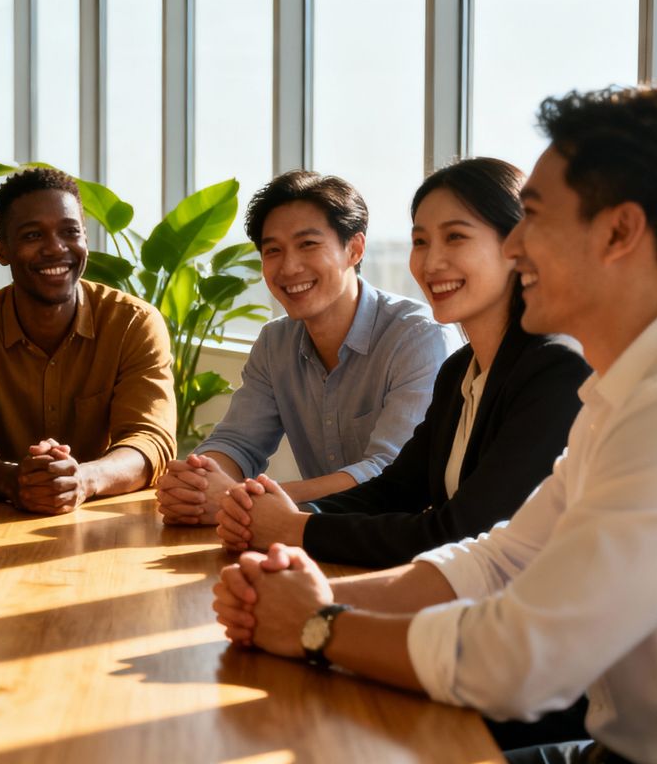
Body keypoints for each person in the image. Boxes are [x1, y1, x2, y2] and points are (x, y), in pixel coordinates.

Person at [212, 85, 657, 764]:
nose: (517, 246)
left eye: (532, 218)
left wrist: (317, 624)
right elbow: (499, 556)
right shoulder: (618, 392)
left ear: (619, 231)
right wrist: (294, 595)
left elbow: (521, 661)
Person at [216, 158, 591, 568]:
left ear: (515, 247)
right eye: (420, 241)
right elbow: (395, 489)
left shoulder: (555, 369)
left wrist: (294, 528)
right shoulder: (461, 370)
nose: (431, 263)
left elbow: (460, 534)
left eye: (456, 238)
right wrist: (277, 513)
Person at [157, 171, 457, 524]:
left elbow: (386, 472)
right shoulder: (275, 344)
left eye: (308, 245)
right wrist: (199, 480)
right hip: (312, 538)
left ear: (355, 249)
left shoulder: (419, 337)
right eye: (273, 250)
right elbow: (237, 443)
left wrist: (241, 497)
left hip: (403, 542)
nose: (289, 267)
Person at [0, 168, 176, 513]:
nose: (56, 248)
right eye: (32, 236)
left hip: (105, 523)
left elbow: (150, 441)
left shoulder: (133, 324)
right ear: (2, 251)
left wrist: (83, 480)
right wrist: (14, 481)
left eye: (70, 232)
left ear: (85, 239)